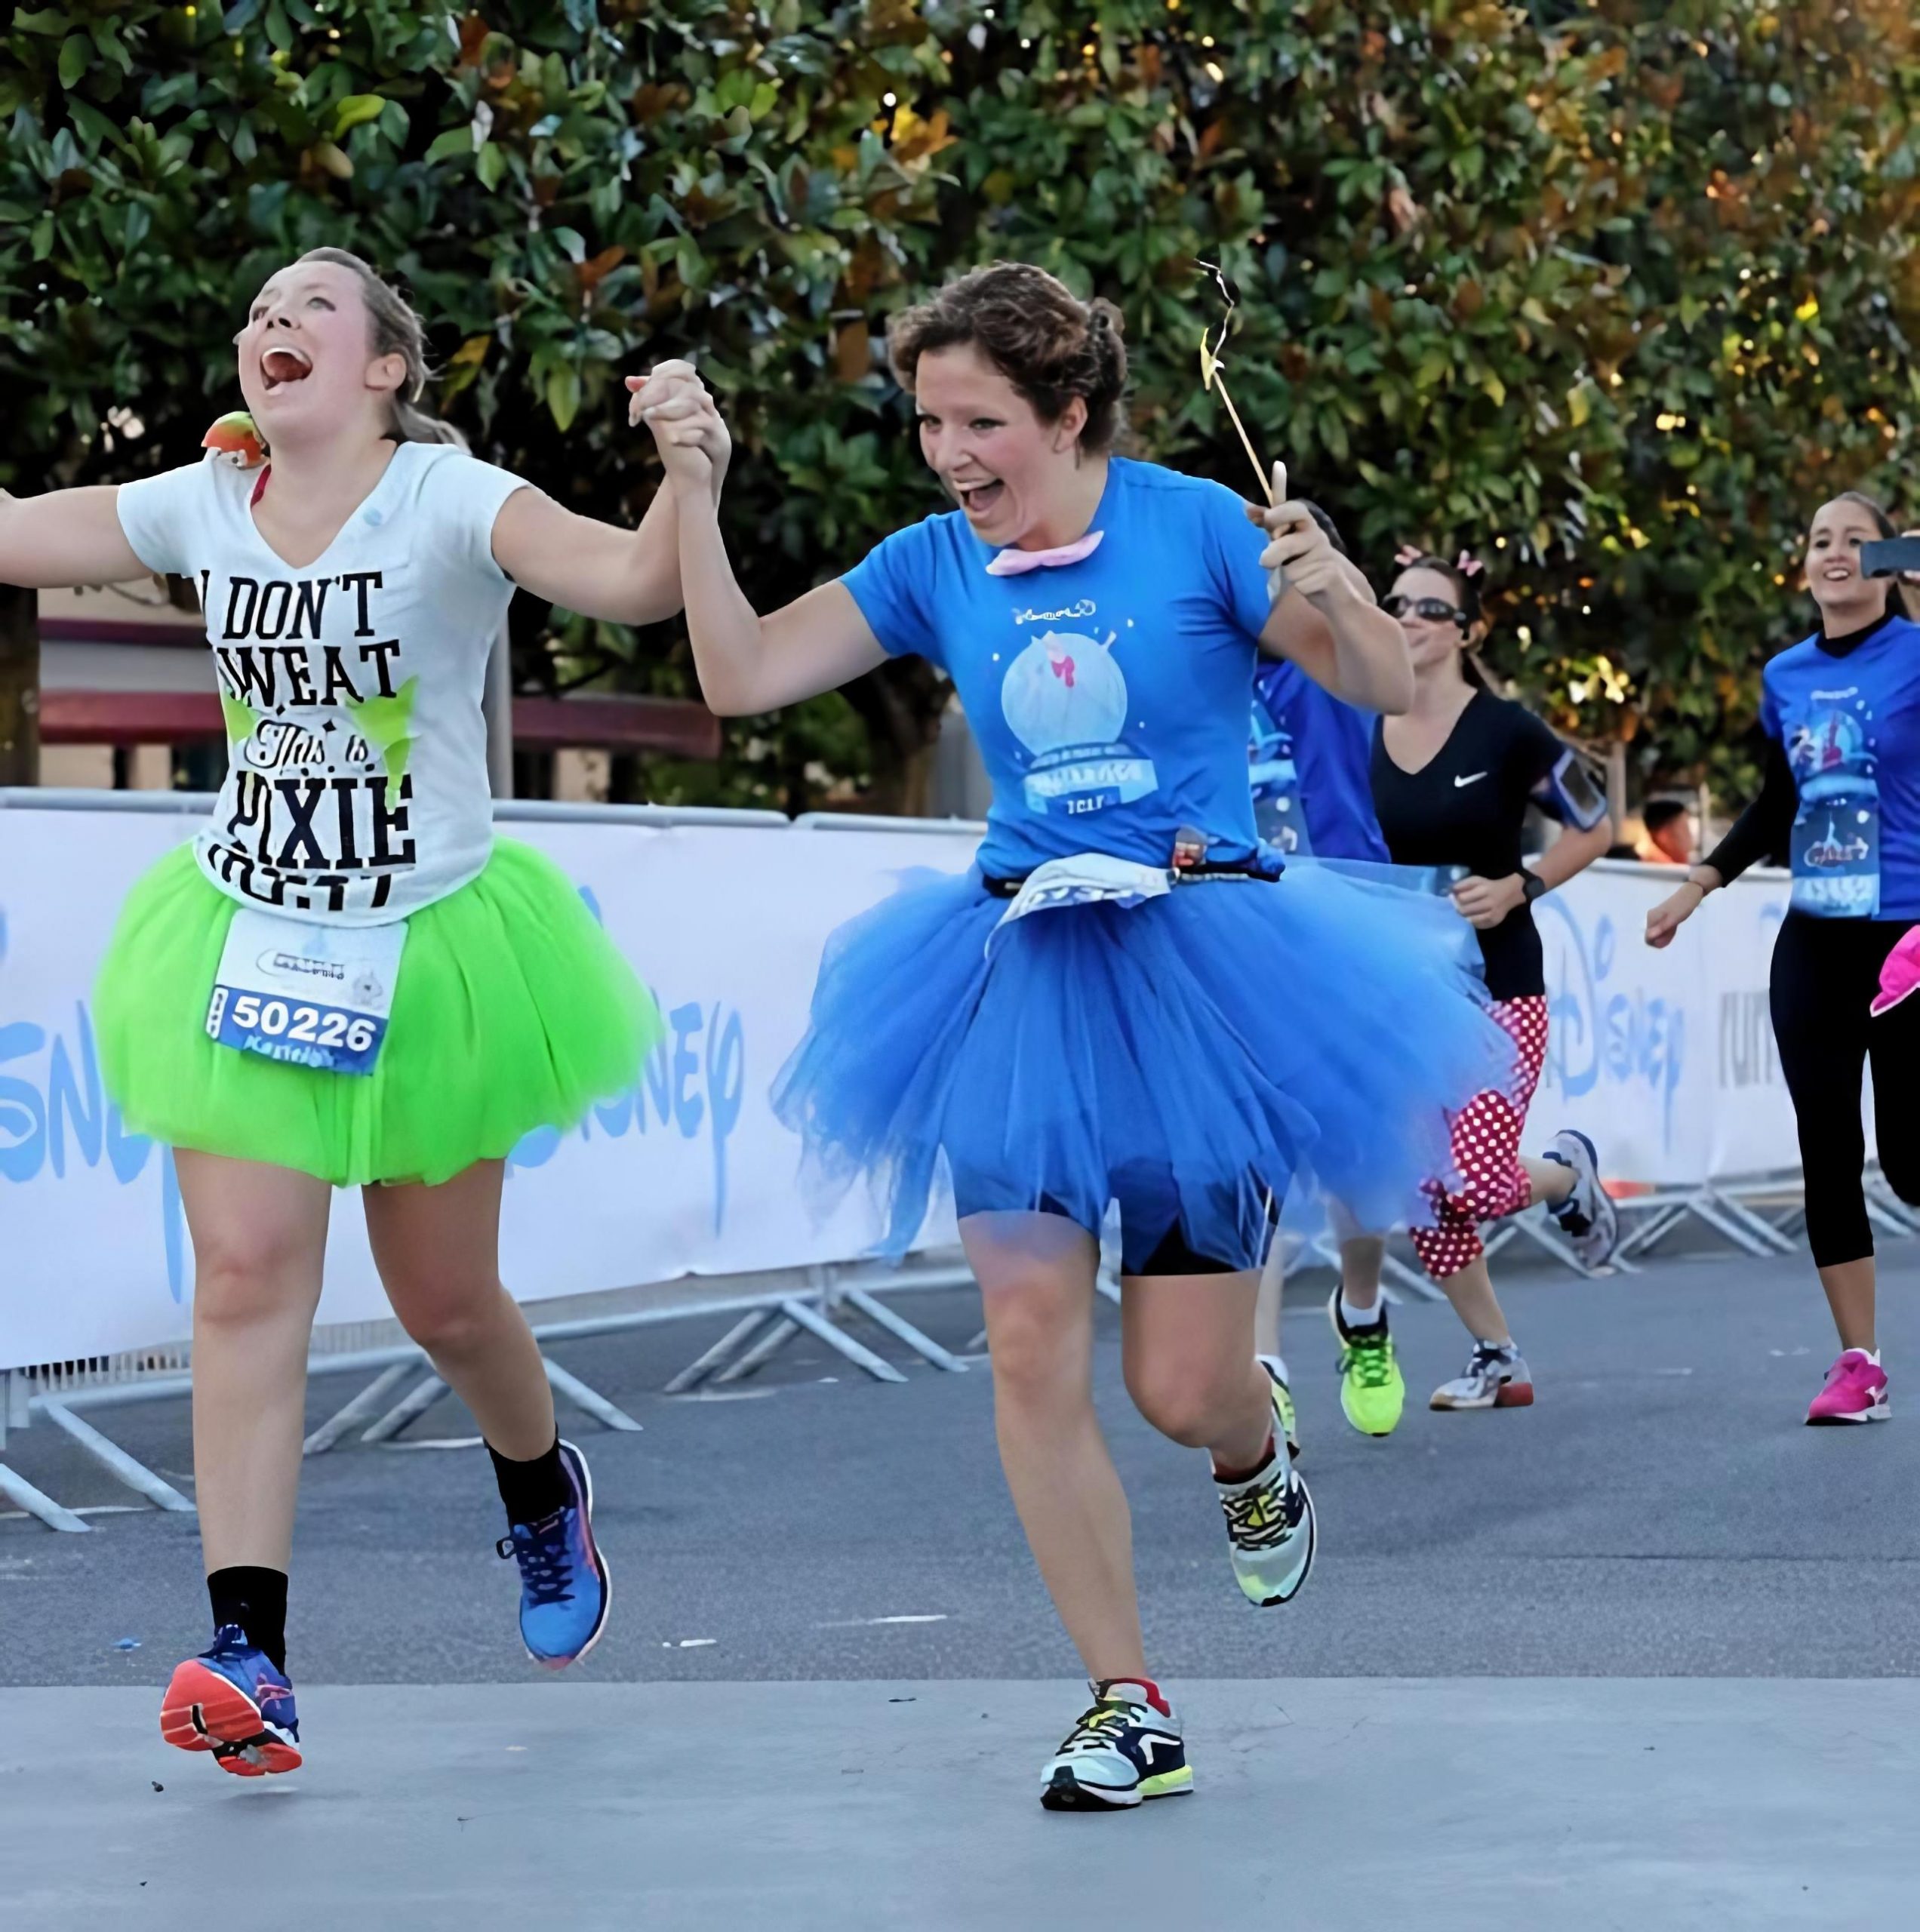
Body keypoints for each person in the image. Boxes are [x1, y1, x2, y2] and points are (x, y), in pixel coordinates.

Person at [647, 260, 1514, 1810]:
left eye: (978, 422)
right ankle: (1127, 1700)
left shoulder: (1199, 526)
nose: (948, 453)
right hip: (1021, 973)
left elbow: (1383, 686)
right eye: (929, 423)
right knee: (1028, 1332)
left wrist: (1332, 582)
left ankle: (1251, 1448)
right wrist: (693, 491)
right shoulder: (933, 560)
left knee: (1182, 1389)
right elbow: (742, 673)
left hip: (1203, 974)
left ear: (1067, 412)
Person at [0, 248, 726, 1777]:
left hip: (430, 950)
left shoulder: (450, 501)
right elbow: (13, 536)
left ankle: (540, 1488)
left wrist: (688, 472)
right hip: (249, 938)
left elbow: (633, 582)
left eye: (310, 307)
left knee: (444, 1304)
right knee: (243, 1276)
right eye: (259, 309)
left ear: (386, 368)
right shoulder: (205, 501)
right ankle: (247, 1650)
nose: (271, 321)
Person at [1648, 491, 1920, 1425]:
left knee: (1912, 1162)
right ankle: (1859, 1363)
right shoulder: (1786, 675)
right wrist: (1696, 885)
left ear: (1886, 560)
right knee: (1827, 1148)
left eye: (1856, 540)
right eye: (1819, 540)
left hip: (1907, 937)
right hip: (1815, 938)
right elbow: (1777, 802)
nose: (1834, 552)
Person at [1365, 549, 1620, 1411]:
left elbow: (1595, 824)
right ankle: (1497, 1357)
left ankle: (1565, 1175)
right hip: (1410, 994)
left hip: (1503, 985)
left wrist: (1522, 885)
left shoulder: (1508, 729)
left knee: (1470, 1180)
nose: (1408, 617)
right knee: (1419, 1190)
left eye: (1430, 608)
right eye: (1397, 602)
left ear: (1468, 632)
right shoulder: (1368, 722)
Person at [1246, 532, 1404, 1442]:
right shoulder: (1202, 662)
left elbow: (1369, 627)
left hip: (1351, 920)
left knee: (1357, 1155)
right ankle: (1261, 1368)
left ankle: (1362, 1308)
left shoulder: (1340, 654)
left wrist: (1329, 574)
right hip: (1241, 931)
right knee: (1252, 1154)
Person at [1641, 798, 1697, 866]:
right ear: (1664, 835)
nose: (1690, 834)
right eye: (1685, 828)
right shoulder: (1653, 868)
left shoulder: (1679, 865)